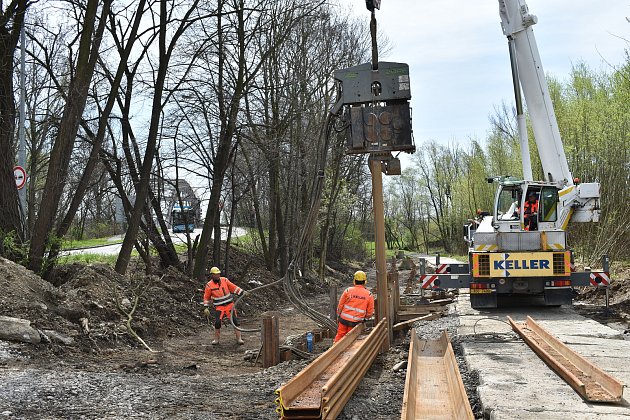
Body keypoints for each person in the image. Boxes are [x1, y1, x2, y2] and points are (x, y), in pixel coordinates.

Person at [203, 266, 246, 345]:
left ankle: (239, 339)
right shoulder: (209, 285)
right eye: (215, 274)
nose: (217, 276)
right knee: (217, 323)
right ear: (212, 275)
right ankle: (216, 340)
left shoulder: (225, 280)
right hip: (219, 307)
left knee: (235, 321)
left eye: (218, 274)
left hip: (230, 305)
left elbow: (233, 288)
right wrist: (206, 307)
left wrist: (242, 292)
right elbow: (206, 297)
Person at [334, 270, 375, 343]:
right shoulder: (369, 295)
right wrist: (365, 318)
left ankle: (333, 350)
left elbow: (340, 306)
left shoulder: (348, 291)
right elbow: (369, 313)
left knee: (340, 336)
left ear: (354, 280)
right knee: (351, 341)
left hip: (343, 320)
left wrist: (339, 316)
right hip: (356, 323)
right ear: (365, 281)